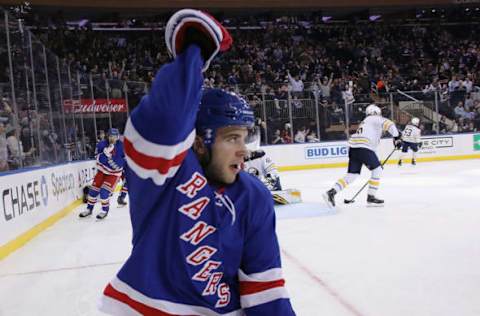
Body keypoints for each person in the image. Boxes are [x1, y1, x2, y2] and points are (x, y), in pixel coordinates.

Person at [99, 9, 295, 316]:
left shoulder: (253, 195)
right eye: (232, 138)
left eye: (244, 138)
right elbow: (165, 120)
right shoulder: (163, 176)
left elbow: (264, 289)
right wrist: (194, 51)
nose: (243, 150)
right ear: (199, 142)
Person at [323, 104, 401, 206]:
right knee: (377, 170)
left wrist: (375, 162)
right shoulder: (374, 118)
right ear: (376, 113)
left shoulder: (365, 122)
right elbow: (389, 124)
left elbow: (371, 145)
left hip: (354, 148)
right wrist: (397, 137)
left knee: (352, 175)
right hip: (364, 148)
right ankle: (371, 197)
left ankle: (331, 193)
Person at [79, 128, 124, 219]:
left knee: (104, 192)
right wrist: (105, 154)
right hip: (102, 171)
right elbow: (98, 159)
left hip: (114, 174)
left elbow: (121, 162)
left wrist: (111, 159)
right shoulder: (101, 144)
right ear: (108, 136)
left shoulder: (121, 146)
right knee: (93, 191)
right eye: (111, 136)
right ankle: (89, 209)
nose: (113, 138)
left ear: (118, 136)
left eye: (115, 136)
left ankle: (104, 210)